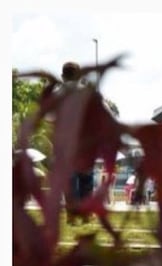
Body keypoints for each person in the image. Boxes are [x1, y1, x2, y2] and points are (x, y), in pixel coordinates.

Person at [59, 61, 94, 223]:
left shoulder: (58, 93)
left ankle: (72, 216)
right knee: (86, 180)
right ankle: (86, 214)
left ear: (62, 76)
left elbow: (48, 117)